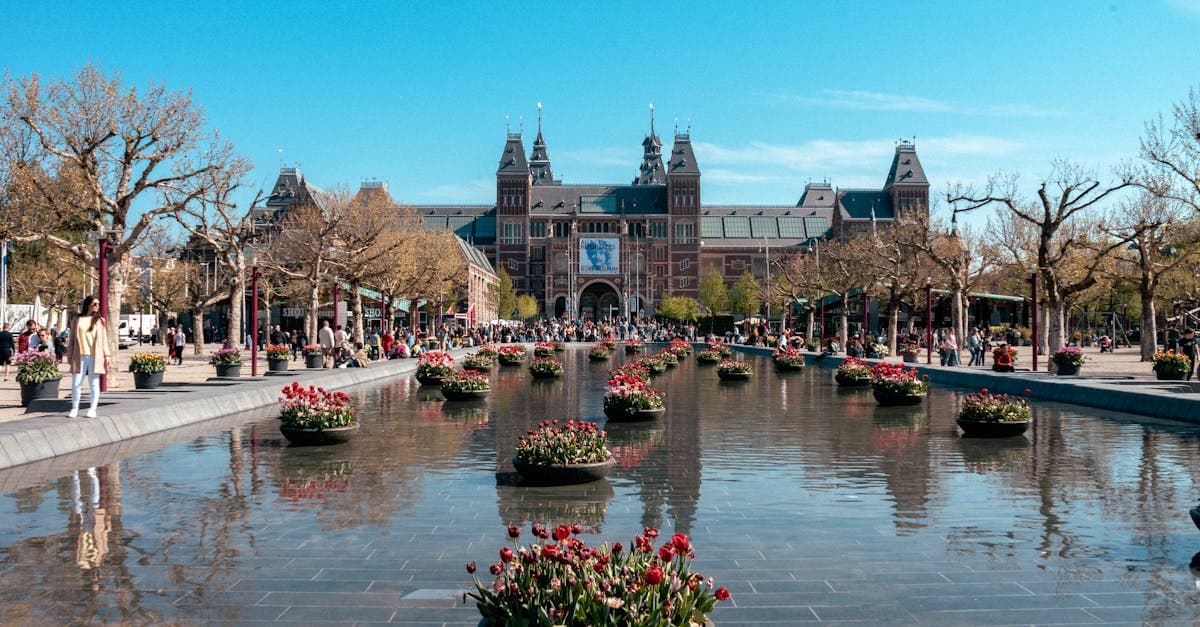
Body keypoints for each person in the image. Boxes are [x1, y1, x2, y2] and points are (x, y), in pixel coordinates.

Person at [67, 296, 111, 419]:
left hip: (95, 356)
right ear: (88, 305)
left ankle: (92, 409)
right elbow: (71, 340)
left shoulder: (100, 320)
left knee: (94, 384)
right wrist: (69, 355)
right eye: (94, 304)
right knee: (76, 384)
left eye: (98, 304)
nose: (97, 306)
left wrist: (107, 355)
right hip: (79, 356)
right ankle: (74, 408)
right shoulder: (77, 320)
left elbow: (104, 340)